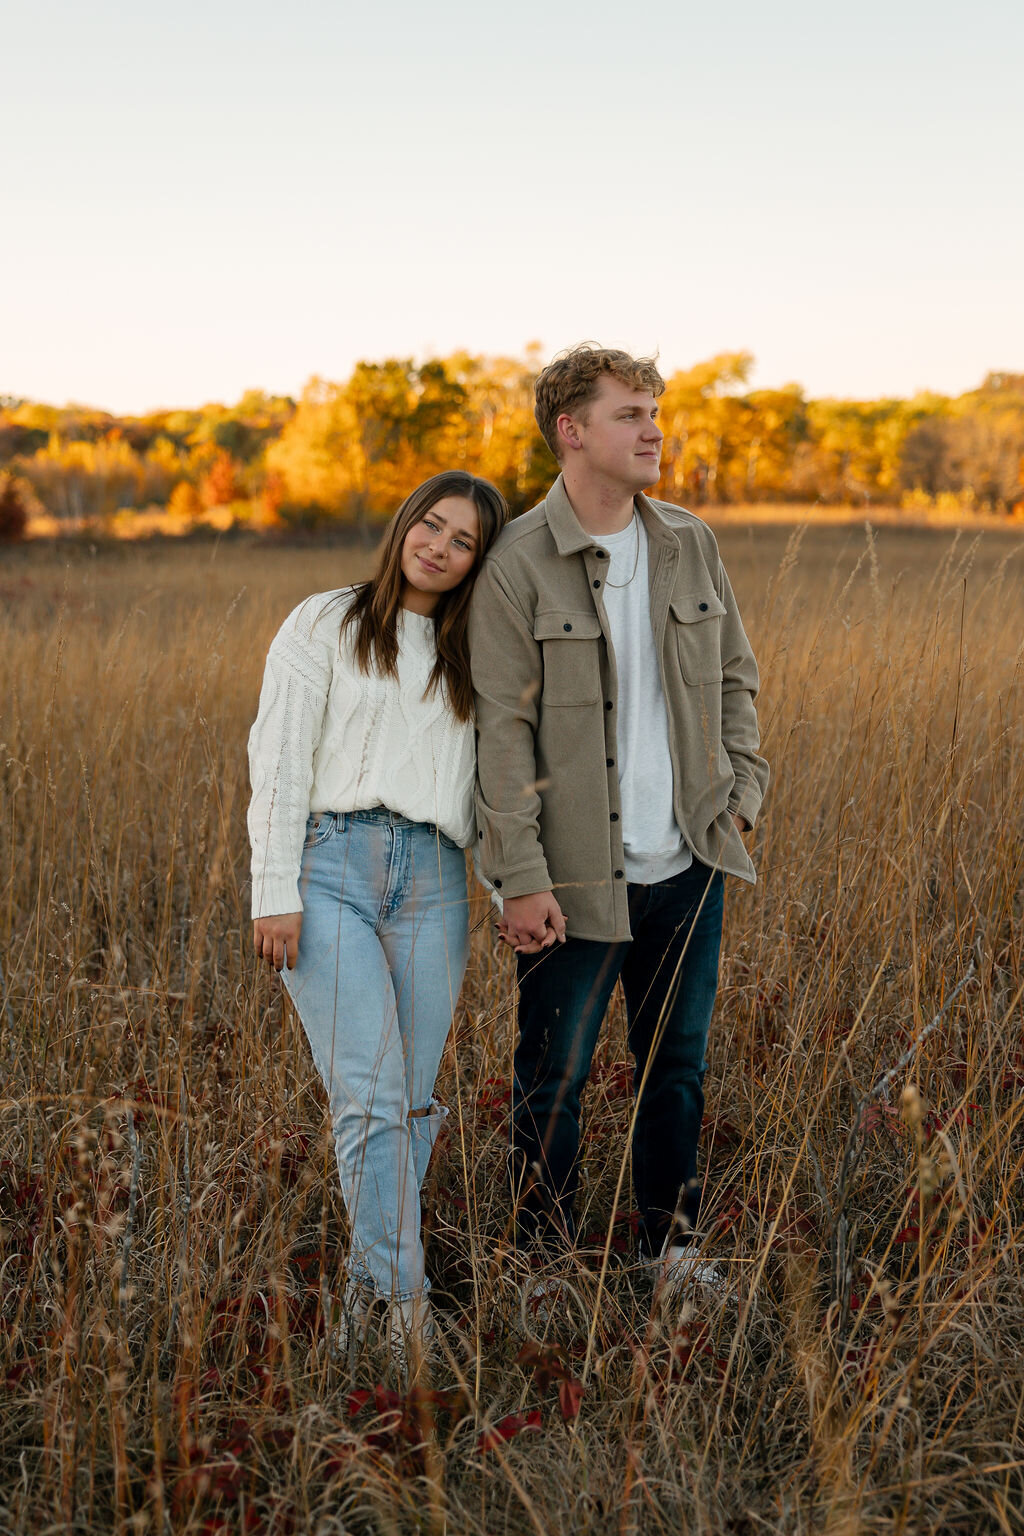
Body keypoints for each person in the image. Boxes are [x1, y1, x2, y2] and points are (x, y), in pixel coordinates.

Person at [468, 345, 769, 1290]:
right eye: (631, 414)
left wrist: (741, 799)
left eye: (655, 412)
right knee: (552, 1077)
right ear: (572, 431)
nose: (654, 431)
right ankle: (545, 1262)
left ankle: (671, 1249)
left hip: (689, 864)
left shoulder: (689, 541)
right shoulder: (516, 563)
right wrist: (520, 877)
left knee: (675, 1066)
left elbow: (734, 677)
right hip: (572, 881)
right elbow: (500, 736)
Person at [248, 470, 508, 1354]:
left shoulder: (477, 653)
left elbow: (494, 788)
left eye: (463, 540)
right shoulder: (325, 620)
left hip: (435, 875)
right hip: (330, 869)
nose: (439, 547)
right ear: (405, 525)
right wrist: (273, 891)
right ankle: (404, 1309)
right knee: (370, 1093)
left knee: (413, 1101)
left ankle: (369, 1284)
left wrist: (509, 891)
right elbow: (279, 758)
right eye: (430, 525)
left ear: (478, 561)